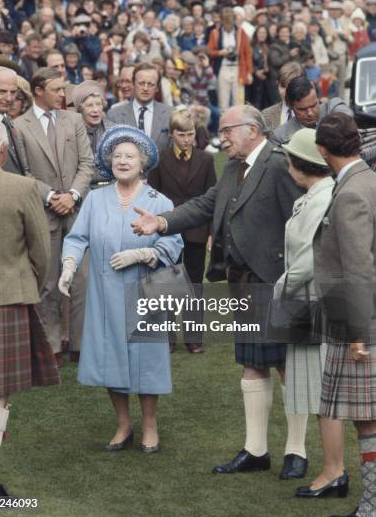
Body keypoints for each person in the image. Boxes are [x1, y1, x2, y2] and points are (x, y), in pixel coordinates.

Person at [132, 105, 303, 477]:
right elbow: (205, 205)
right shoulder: (232, 168)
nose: (220, 137)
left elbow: (301, 219)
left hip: (277, 282)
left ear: (252, 131)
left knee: (289, 368)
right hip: (243, 282)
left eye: (226, 131)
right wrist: (162, 221)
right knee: (253, 365)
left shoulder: (279, 163)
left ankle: (296, 452)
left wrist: (296, 278)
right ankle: (256, 451)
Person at [59, 126, 183, 453]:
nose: (123, 161)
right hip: (105, 292)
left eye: (130, 156)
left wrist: (146, 253)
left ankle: (150, 426)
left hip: (145, 291)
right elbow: (77, 238)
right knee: (109, 355)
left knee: (148, 357)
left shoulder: (159, 201)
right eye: (117, 156)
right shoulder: (96, 199)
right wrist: (69, 265)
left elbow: (173, 241)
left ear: (143, 163)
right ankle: (124, 424)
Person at [0, 116, 58, 498]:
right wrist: (29, 287)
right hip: (4, 301)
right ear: (4, 150)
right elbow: (42, 254)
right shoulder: (23, 187)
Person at [273, 128, 346, 496]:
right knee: (320, 393)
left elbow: (309, 260)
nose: (286, 167)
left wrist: (278, 290)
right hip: (309, 302)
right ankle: (333, 469)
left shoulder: (322, 199)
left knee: (325, 393)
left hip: (315, 303)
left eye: (289, 160)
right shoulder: (314, 196)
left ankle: (334, 472)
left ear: (301, 165)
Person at [314, 113, 376, 517]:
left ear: (323, 151)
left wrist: (358, 332)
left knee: (367, 421)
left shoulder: (353, 191)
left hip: (361, 322)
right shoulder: (367, 178)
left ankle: (372, 503)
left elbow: (358, 268)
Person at [15, 67, 93, 363]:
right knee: (48, 282)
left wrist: (72, 195)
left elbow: (87, 164)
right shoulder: (19, 125)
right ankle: (52, 347)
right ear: (38, 91)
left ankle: (79, 344)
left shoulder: (73, 120)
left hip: (76, 212)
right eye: (58, 89)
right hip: (43, 213)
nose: (64, 95)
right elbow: (22, 172)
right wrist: (50, 196)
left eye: (64, 89)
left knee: (82, 279)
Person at [148, 109, 217, 353]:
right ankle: (167, 337)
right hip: (168, 229)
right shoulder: (160, 159)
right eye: (182, 134)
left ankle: (194, 338)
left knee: (194, 283)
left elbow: (212, 198)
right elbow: (153, 195)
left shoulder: (206, 160)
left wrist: (211, 232)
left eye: (190, 134)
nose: (187, 139)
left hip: (197, 230)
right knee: (167, 281)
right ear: (172, 134)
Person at [108, 62, 173, 152]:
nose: (145, 88)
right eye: (141, 83)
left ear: (157, 88)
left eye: (150, 84)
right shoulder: (114, 115)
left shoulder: (170, 114)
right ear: (133, 84)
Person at [271, 75, 352, 145]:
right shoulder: (280, 136)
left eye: (313, 105)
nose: (310, 113)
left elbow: (347, 118)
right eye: (302, 109)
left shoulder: (333, 107)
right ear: (290, 106)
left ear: (318, 98)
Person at [208, 7, 253, 112]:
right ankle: (224, 128)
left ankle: (237, 127)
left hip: (238, 69)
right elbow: (209, 52)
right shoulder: (215, 33)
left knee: (238, 104)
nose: (228, 24)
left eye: (230, 21)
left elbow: (248, 53)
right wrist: (220, 52)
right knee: (223, 104)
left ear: (234, 20)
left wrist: (249, 72)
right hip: (223, 69)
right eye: (226, 21)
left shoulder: (241, 32)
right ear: (222, 20)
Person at [71, 80, 114, 187]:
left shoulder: (113, 131)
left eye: (99, 104)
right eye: (89, 105)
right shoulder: (71, 132)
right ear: (80, 109)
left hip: (110, 188)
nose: (96, 110)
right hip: (81, 189)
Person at [262, 61, 303, 132]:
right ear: (277, 84)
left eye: (291, 87)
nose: (287, 92)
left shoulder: (313, 113)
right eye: (283, 86)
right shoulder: (266, 115)